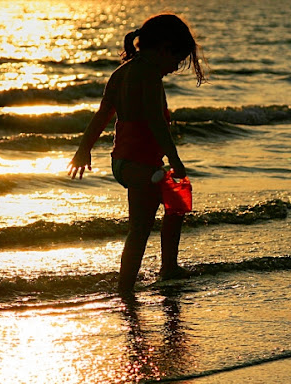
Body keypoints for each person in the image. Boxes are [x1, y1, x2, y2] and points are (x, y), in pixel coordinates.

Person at [68, 13, 206, 293]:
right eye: (176, 61)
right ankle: (125, 288)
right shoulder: (149, 76)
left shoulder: (122, 71)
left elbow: (102, 115)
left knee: (175, 205)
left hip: (123, 162)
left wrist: (83, 150)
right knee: (140, 229)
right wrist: (175, 160)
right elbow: (156, 122)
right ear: (164, 48)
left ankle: (168, 268)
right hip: (141, 164)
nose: (173, 68)